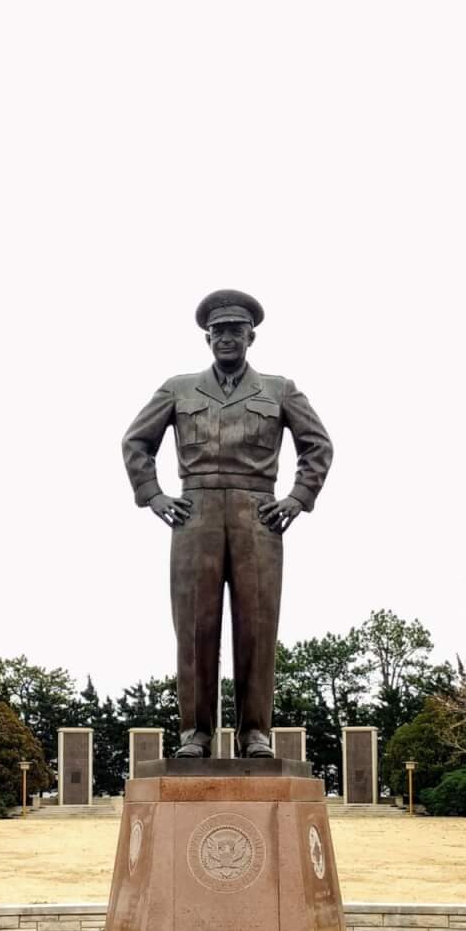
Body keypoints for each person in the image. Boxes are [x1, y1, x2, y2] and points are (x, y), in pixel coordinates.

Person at [121, 290, 333, 757]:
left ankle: (254, 731)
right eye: (218, 332)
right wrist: (153, 495)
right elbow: (136, 442)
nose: (227, 339)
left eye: (236, 331)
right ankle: (195, 733)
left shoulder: (280, 390)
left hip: (257, 514)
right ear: (207, 337)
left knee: (257, 625)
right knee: (196, 626)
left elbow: (318, 445)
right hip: (194, 514)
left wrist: (298, 497)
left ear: (250, 336)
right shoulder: (178, 388)